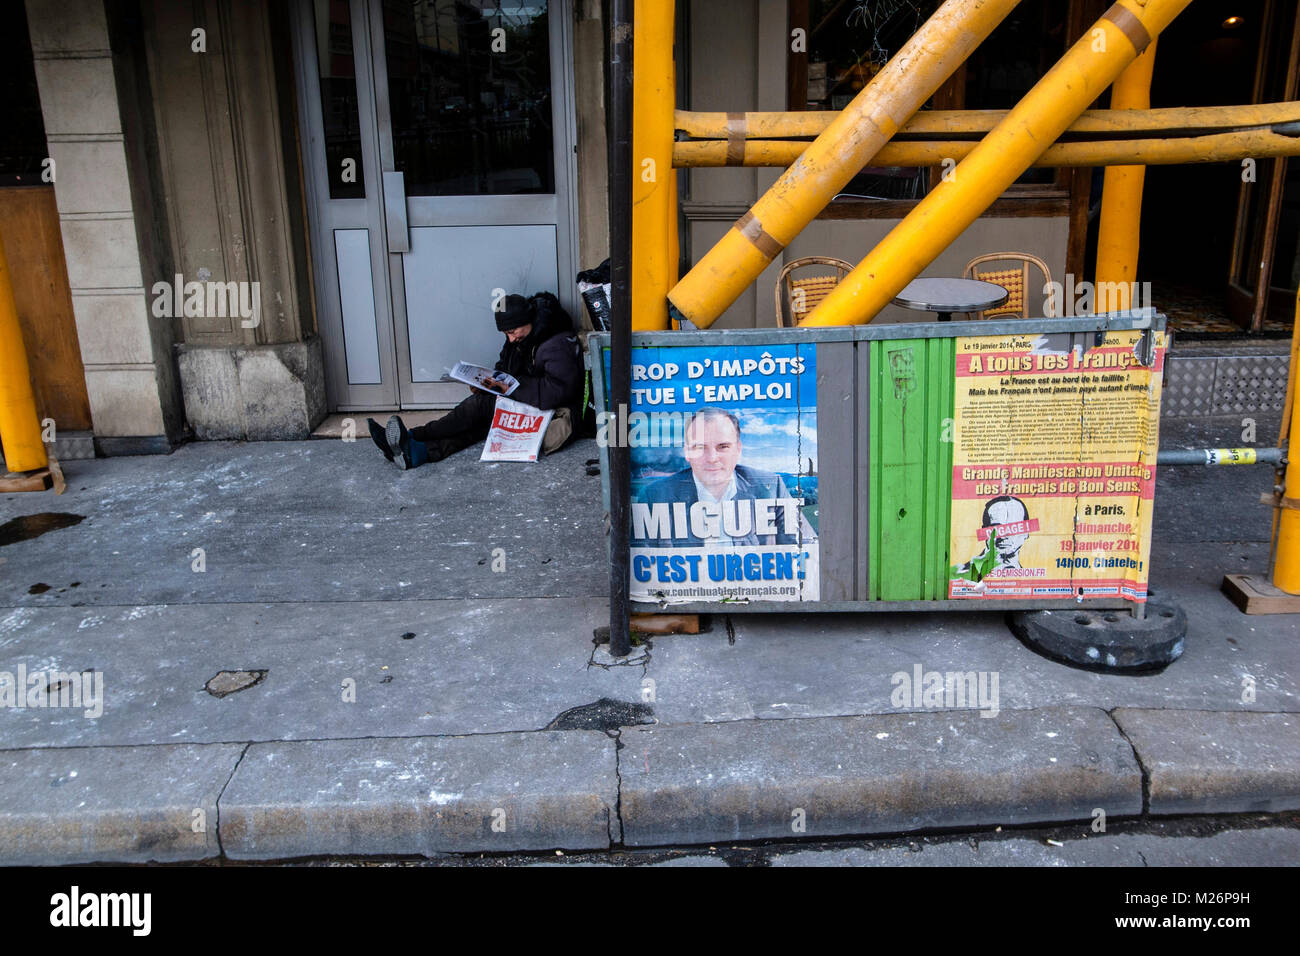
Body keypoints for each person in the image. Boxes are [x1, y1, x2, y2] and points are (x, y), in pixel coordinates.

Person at [367, 292, 583, 469]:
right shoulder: (522, 336)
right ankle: (414, 452)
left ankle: (413, 435)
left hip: (553, 411)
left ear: (528, 321)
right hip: (528, 400)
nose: (510, 338)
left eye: (513, 331)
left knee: (481, 408)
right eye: (506, 333)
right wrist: (486, 382)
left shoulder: (555, 343)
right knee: (480, 425)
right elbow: (504, 367)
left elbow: (556, 391)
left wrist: (508, 387)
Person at [637, 407, 801, 547]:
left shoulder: (772, 487)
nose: (712, 458)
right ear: (687, 452)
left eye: (723, 446)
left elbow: (804, 551)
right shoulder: (654, 496)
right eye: (700, 447)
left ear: (738, 449)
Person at [951, 495, 1032, 581]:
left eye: (1013, 527)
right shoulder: (961, 577)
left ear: (1026, 533)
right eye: (996, 527)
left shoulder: (1031, 580)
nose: (1004, 535)